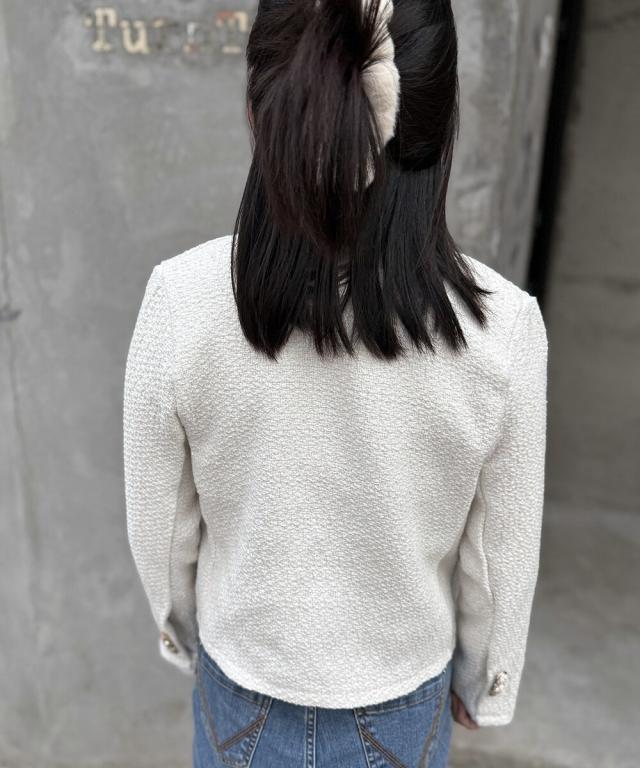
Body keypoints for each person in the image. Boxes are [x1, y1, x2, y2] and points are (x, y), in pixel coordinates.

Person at [122, 0, 549, 765]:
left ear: (260, 112)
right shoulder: (502, 327)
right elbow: (497, 559)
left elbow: (162, 527)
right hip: (401, 697)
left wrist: (184, 632)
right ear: (437, 121)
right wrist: (485, 680)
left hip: (241, 682)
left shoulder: (181, 299)